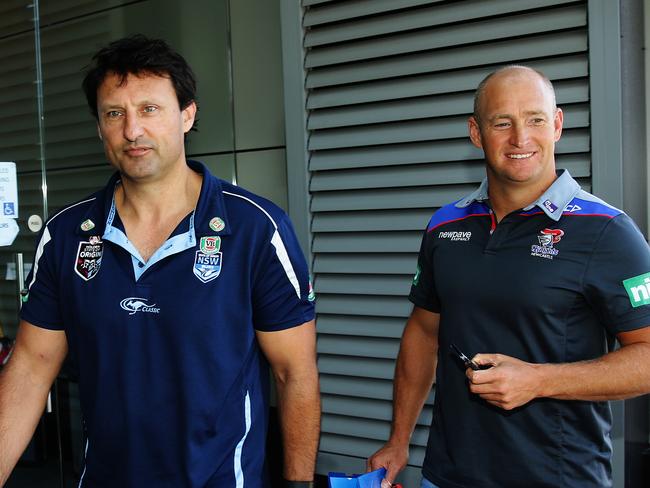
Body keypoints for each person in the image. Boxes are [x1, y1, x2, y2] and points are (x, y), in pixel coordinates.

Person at [0, 35, 320, 488]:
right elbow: (31, 368)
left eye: (150, 109)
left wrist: (299, 484)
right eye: (115, 113)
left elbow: (295, 373)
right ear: (99, 127)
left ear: (187, 115)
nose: (132, 130)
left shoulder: (255, 229)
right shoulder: (67, 235)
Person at [368, 65, 650, 488]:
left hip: (557, 478)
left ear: (556, 125)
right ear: (476, 133)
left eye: (535, 119)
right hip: (447, 476)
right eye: (502, 122)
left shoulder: (607, 230)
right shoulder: (445, 227)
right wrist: (398, 439)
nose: (520, 138)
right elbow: (424, 333)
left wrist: (538, 381)